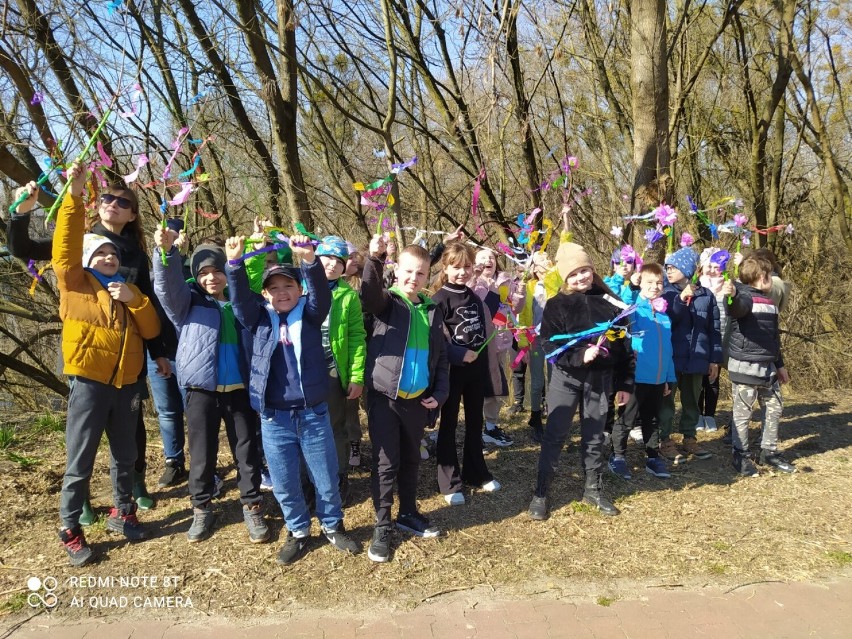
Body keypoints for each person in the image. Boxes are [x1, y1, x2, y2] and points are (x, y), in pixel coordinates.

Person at [9, 177, 178, 517]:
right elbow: (22, 248)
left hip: (128, 355)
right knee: (85, 433)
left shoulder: (137, 256)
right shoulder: (78, 243)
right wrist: (21, 212)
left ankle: (135, 485)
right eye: (107, 197)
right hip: (88, 355)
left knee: (131, 427)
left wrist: (159, 350)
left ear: (132, 215)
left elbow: (151, 305)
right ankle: (82, 500)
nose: (112, 203)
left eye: (123, 201)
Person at [225, 234, 360, 564]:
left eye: (289, 286)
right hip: (274, 418)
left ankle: (332, 525)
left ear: (300, 290)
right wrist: (234, 264)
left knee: (325, 476)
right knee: (285, 481)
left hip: (312, 414)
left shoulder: (311, 315)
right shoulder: (259, 319)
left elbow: (321, 298)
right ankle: (298, 530)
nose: (282, 293)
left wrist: (309, 261)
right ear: (266, 294)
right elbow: (240, 300)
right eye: (274, 288)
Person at [54, 161, 161, 566]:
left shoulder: (127, 290)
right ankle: (70, 527)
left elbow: (150, 330)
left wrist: (136, 300)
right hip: (89, 382)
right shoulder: (74, 285)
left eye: (112, 254)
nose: (107, 258)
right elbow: (64, 248)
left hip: (127, 384)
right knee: (80, 459)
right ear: (86, 261)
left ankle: (123, 511)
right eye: (98, 254)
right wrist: (74, 197)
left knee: (125, 455)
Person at [153, 230, 269, 543]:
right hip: (201, 390)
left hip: (239, 390)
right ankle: (202, 507)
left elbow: (250, 277)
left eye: (217, 270)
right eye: (203, 272)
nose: (211, 277)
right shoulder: (187, 303)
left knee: (246, 450)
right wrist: (166, 254)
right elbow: (166, 286)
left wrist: (249, 254)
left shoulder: (241, 302)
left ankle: (252, 504)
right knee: (202, 453)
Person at [528, 242, 634, 520]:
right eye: (573, 274)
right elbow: (549, 345)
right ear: (564, 277)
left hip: (600, 382)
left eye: (584, 270)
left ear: (592, 269)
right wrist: (579, 356)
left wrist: (625, 384)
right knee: (555, 434)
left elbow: (625, 348)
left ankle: (593, 488)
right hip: (566, 379)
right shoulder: (556, 305)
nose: (580, 278)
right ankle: (541, 491)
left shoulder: (610, 303)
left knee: (595, 435)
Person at [361, 234, 449, 563]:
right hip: (384, 399)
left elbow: (440, 359)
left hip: (417, 402)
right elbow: (369, 294)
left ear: (428, 276)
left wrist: (439, 394)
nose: (414, 278)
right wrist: (374, 258)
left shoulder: (431, 310)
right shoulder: (388, 304)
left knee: (412, 460)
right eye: (408, 272)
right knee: (386, 465)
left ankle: (408, 513)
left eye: (421, 273)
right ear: (397, 271)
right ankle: (382, 525)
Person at [433, 242, 504, 506]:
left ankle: (476, 471)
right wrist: (457, 354)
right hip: (451, 372)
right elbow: (436, 340)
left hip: (475, 372)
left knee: (475, 422)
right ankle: (449, 481)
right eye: (456, 267)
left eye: (466, 267)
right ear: (446, 267)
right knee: (449, 424)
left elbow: (484, 327)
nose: (462, 272)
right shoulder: (439, 300)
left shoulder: (474, 297)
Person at [721, 255, 794, 476]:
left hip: (768, 368)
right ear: (760, 276)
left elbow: (774, 338)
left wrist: (780, 365)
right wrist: (731, 295)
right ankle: (740, 455)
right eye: (768, 274)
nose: (770, 277)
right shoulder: (743, 297)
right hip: (745, 368)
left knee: (775, 407)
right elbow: (737, 308)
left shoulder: (770, 303)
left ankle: (768, 451)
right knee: (743, 415)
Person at [608, 263, 675, 480]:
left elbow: (668, 350)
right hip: (635, 378)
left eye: (659, 283)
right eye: (650, 282)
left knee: (652, 419)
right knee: (627, 419)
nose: (655, 287)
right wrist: (631, 284)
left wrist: (668, 378)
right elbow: (619, 303)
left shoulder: (664, 316)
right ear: (641, 283)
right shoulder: (634, 310)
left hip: (657, 379)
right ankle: (617, 456)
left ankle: (653, 457)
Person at [314, 236, 367, 503]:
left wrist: (357, 375)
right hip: (303, 372)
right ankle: (311, 479)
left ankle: (338, 478)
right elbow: (257, 285)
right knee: (308, 427)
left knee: (336, 426)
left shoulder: (348, 296)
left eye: (339, 260)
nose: (332, 265)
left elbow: (357, 336)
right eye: (327, 258)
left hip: (334, 370)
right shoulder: (299, 286)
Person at [658, 248, 720, 464]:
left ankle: (689, 438)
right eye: (667, 267)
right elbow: (665, 322)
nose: (668, 271)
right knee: (666, 401)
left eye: (673, 267)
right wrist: (679, 300)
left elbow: (714, 330)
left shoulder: (706, 295)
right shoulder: (664, 293)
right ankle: (664, 440)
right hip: (671, 359)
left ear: (687, 270)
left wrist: (714, 360)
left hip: (697, 358)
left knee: (692, 400)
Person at [471, 247, 522, 447]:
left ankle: (490, 427)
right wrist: (473, 279)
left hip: (500, 343)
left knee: (496, 388)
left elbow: (514, 309)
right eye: (482, 258)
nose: (487, 261)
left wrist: (520, 291)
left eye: (491, 257)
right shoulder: (473, 283)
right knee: (477, 389)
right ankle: (474, 430)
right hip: (478, 345)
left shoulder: (506, 281)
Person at [697, 248, 728, 432]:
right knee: (698, 379)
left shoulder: (728, 285)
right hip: (700, 338)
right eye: (708, 266)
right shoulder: (697, 285)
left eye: (716, 266)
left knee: (713, 378)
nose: (711, 270)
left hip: (720, 337)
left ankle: (710, 415)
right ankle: (698, 414)